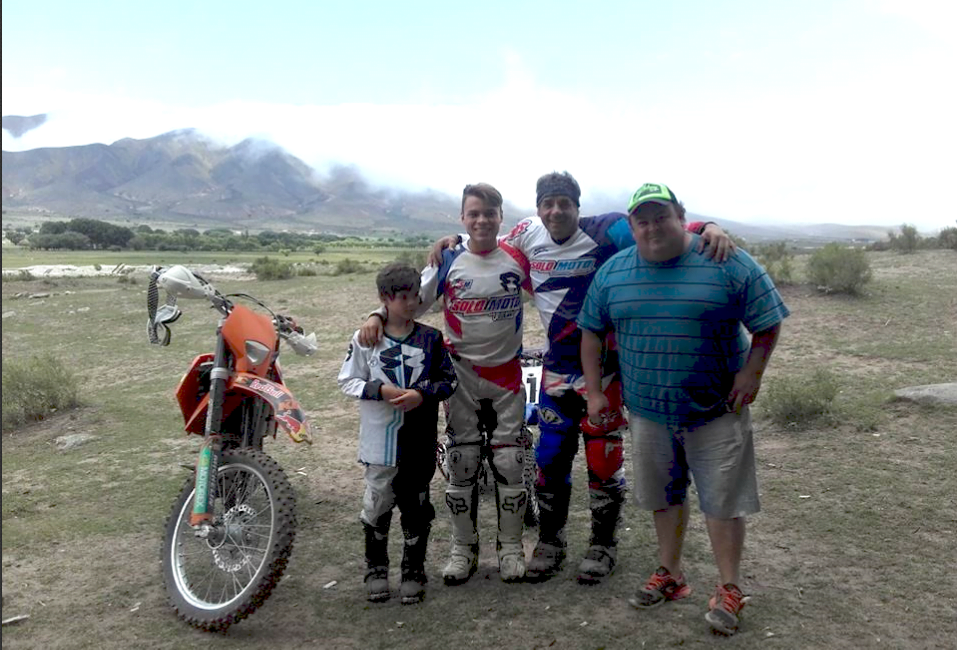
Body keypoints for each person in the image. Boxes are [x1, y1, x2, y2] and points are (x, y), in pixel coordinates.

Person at [430, 171, 734, 584]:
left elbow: (658, 233)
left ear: (578, 206)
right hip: (556, 369)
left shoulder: (607, 228)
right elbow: (484, 243)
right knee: (550, 458)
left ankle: (602, 545)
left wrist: (707, 226)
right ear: (538, 208)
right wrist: (451, 242)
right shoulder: (526, 233)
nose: (555, 211)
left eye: (564, 203)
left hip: (605, 371)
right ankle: (550, 543)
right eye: (548, 203)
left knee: (603, 460)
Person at [578, 182, 789, 635]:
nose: (652, 227)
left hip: (716, 410)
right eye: (643, 220)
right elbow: (591, 331)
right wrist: (595, 393)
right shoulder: (614, 272)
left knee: (722, 503)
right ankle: (670, 573)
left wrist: (753, 373)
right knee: (663, 497)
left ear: (681, 217)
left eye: (661, 217)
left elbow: (768, 320)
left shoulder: (725, 260)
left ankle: (729, 588)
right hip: (648, 412)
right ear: (632, 225)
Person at [359, 183, 532, 585]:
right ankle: (463, 549)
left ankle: (510, 548)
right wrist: (376, 315)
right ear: (462, 218)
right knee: (461, 461)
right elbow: (410, 300)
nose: (482, 220)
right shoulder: (449, 259)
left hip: (507, 374)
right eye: (473, 214)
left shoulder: (518, 256)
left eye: (489, 213)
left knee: (510, 462)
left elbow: (552, 287)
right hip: (461, 375)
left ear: (501, 216)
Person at [338, 261, 458, 604]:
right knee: (377, 504)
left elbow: (448, 380)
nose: (411, 303)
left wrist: (422, 394)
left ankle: (413, 570)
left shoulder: (430, 338)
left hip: (419, 440)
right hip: (379, 442)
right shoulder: (366, 340)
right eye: (402, 297)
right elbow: (347, 380)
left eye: (415, 296)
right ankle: (376, 569)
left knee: (416, 505)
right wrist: (379, 390)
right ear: (384, 298)